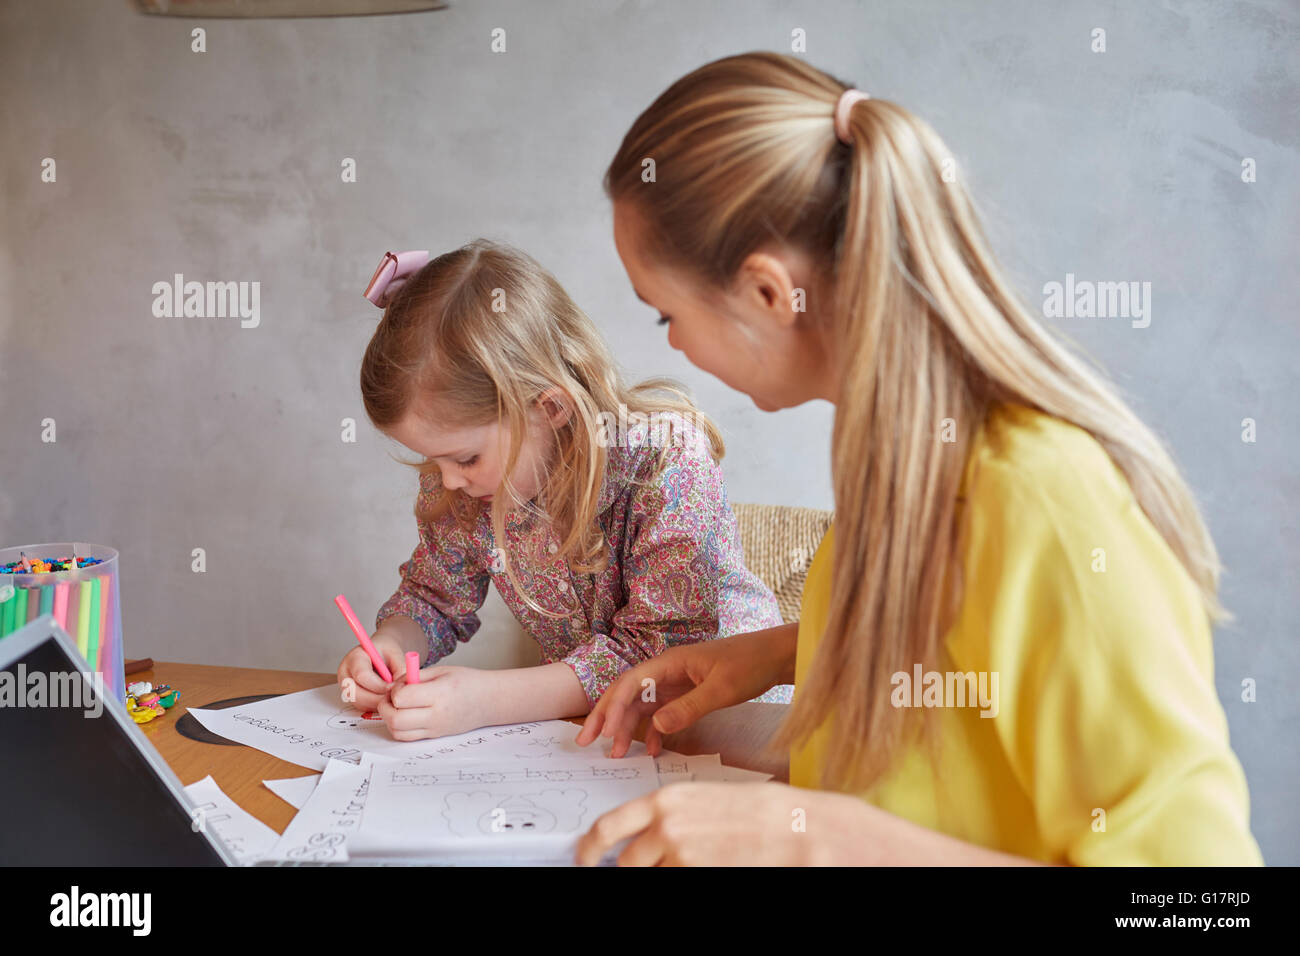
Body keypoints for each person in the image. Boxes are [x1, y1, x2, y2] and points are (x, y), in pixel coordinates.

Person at [574, 52, 1262, 866]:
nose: (675, 347)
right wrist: (794, 650)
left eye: (665, 317)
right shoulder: (900, 469)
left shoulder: (1039, 498)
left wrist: (814, 840)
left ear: (767, 293)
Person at [336, 239, 786, 743]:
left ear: (550, 408)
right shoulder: (468, 492)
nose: (448, 480)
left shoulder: (667, 460)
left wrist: (485, 701)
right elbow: (434, 597)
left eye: (464, 458)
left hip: (735, 726)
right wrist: (391, 643)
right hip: (606, 737)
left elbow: (659, 660)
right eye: (433, 460)